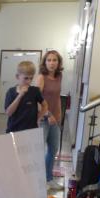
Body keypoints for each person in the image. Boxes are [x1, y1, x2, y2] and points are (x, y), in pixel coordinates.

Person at [34, 50, 64, 190]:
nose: (52, 63)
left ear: (58, 62)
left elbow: (57, 97)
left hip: (55, 120)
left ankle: (48, 178)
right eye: (49, 60)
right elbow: (37, 99)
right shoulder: (41, 77)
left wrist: (59, 115)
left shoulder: (59, 76)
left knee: (53, 149)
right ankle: (36, 181)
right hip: (43, 119)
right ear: (45, 62)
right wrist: (48, 115)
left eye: (54, 60)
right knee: (38, 151)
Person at [4, 60, 47, 134]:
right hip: (14, 129)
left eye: (31, 78)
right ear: (17, 76)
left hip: (31, 130)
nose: (29, 81)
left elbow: (45, 105)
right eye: (26, 78)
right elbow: (8, 113)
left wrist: (39, 117)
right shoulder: (11, 92)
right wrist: (20, 96)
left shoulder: (35, 91)